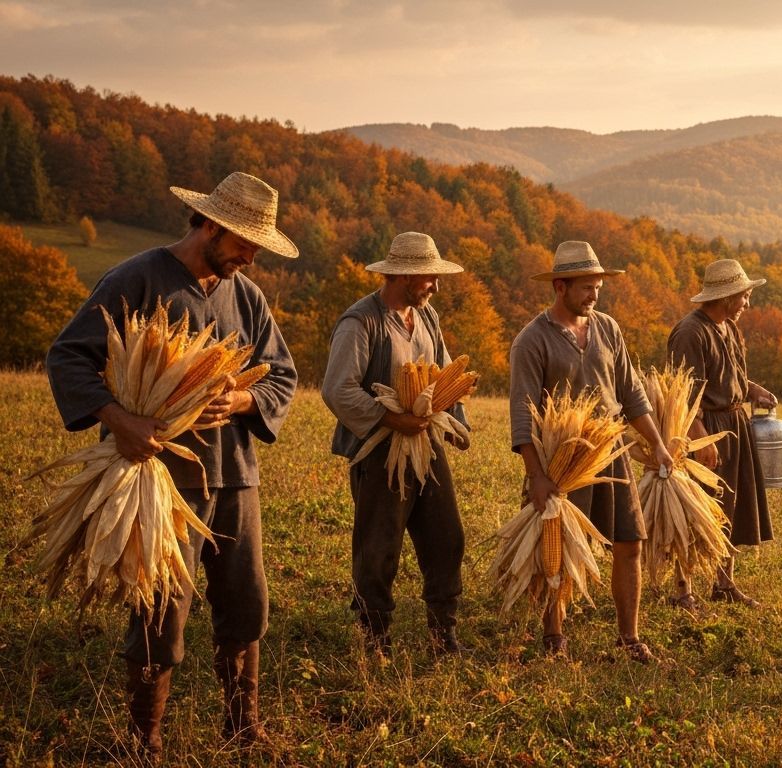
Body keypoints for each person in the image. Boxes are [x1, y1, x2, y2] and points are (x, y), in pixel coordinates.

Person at [46, 172, 298, 754]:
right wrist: (119, 419)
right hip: (162, 483)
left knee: (245, 601)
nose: (251, 256)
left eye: (258, 246)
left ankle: (242, 727)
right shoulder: (137, 278)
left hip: (235, 475)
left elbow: (281, 375)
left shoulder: (247, 297)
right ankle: (145, 739)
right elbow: (68, 356)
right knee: (162, 608)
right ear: (209, 223)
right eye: (244, 242)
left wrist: (241, 398)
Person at [508, 240, 675, 662]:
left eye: (598, 286)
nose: (594, 295)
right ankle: (554, 636)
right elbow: (522, 415)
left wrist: (656, 443)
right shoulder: (532, 341)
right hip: (560, 458)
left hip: (612, 447)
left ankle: (629, 637)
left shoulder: (608, 328)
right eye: (586, 287)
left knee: (630, 541)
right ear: (560, 286)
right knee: (558, 547)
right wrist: (537, 475)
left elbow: (632, 392)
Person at [322, 232, 471, 657]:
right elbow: (338, 389)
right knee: (379, 544)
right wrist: (393, 419)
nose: (435, 287)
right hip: (380, 447)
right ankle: (375, 637)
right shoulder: (360, 322)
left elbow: (444, 377)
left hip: (427, 442)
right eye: (428, 278)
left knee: (447, 538)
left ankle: (444, 634)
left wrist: (456, 423)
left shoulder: (427, 318)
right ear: (402, 275)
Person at [665, 259, 777, 612]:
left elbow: (731, 378)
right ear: (727, 297)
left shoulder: (729, 328)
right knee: (695, 509)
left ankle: (724, 583)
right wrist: (699, 437)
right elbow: (684, 390)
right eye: (744, 296)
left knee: (733, 507)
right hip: (704, 430)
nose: (747, 303)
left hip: (734, 425)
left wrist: (753, 390)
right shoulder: (690, 333)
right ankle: (683, 589)